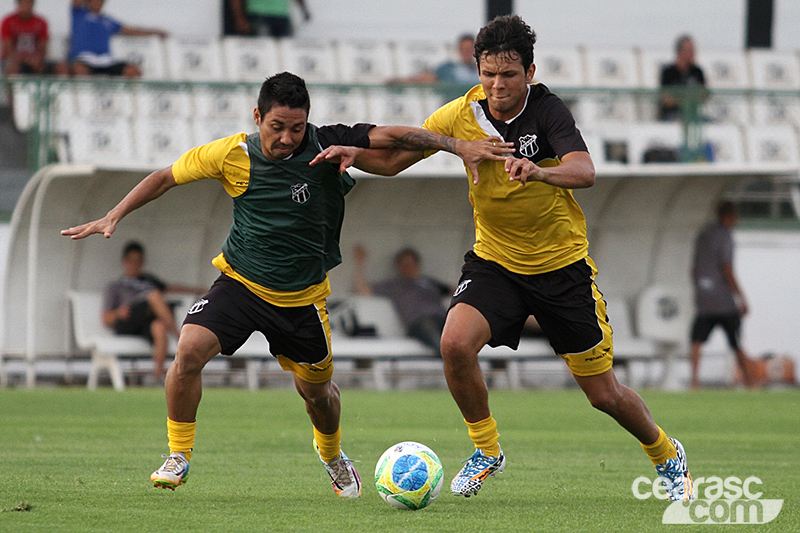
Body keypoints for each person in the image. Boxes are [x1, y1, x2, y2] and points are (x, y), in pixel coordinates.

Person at [61, 71, 505, 496]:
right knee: (190, 350)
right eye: (277, 127)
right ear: (258, 118)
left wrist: (457, 146)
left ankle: (331, 454)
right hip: (241, 285)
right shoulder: (231, 153)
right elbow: (164, 178)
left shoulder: (329, 143)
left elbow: (397, 138)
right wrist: (113, 215)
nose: (287, 138)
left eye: (296, 127)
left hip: (303, 300)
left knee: (319, 396)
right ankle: (178, 454)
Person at [315, 15, 695, 502]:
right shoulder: (461, 113)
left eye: (508, 75)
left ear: (530, 72)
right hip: (495, 262)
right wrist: (354, 153)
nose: (497, 85)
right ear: (477, 70)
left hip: (561, 268)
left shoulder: (548, 112)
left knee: (604, 395)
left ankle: (665, 451)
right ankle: (486, 450)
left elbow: (584, 171)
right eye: (488, 73)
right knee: (454, 345)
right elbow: (394, 157)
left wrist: (538, 172)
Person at [103, 241, 202, 379]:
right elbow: (106, 317)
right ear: (124, 261)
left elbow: (172, 288)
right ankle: (180, 337)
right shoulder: (116, 286)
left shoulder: (148, 280)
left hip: (146, 321)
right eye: (132, 260)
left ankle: (158, 375)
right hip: (128, 321)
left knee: (159, 326)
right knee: (154, 295)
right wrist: (118, 312)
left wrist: (205, 290)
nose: (135, 264)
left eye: (138, 261)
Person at [690, 200, 756, 389]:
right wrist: (741, 298)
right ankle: (750, 381)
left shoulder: (703, 234)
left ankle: (694, 382)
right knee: (735, 342)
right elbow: (727, 268)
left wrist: (699, 289)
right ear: (730, 216)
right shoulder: (725, 236)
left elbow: (694, 268)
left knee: (696, 340)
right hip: (723, 301)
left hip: (704, 300)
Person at [352, 244, 450, 353]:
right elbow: (361, 289)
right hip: (420, 323)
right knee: (434, 334)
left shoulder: (429, 282)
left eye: (410, 263)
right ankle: (447, 360)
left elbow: (456, 290)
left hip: (443, 319)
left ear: (417, 264)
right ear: (398, 266)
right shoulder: (394, 285)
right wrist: (359, 262)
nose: (407, 267)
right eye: (403, 264)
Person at [68, 0, 167, 77]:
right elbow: (75, 2)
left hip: (105, 60)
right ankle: (86, 100)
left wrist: (156, 32)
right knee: (79, 70)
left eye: (101, 1)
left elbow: (131, 30)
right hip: (84, 58)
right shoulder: (79, 14)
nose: (99, 3)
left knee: (133, 71)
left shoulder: (107, 21)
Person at [1, 0, 68, 76]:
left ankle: (61, 87)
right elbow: (8, 49)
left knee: (61, 67)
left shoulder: (41, 22)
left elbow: (43, 47)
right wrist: (27, 60)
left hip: (36, 61)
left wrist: (38, 59)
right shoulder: (8, 21)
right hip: (14, 61)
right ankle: (12, 87)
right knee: (12, 67)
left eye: (29, 3)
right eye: (23, 3)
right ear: (18, 4)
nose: (26, 6)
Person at [388, 34, 479, 87]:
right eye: (464, 49)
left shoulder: (482, 69)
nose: (467, 52)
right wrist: (399, 81)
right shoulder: (449, 68)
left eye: (469, 49)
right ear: (458, 50)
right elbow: (427, 77)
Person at [659, 34, 706, 122]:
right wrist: (688, 98)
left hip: (693, 115)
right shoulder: (668, 72)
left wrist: (679, 97)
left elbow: (703, 95)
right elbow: (666, 99)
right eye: (689, 51)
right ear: (680, 52)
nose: (693, 54)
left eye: (693, 51)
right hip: (672, 116)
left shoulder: (697, 71)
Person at [227, 0, 310, 38]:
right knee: (262, 48)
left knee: (285, 50)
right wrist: (239, 18)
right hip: (258, 14)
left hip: (282, 15)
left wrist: (304, 9)